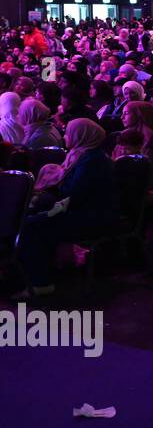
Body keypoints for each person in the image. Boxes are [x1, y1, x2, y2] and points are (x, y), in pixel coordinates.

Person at [14, 119, 115, 300]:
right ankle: (35, 274)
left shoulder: (92, 160)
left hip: (91, 216)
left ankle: (40, 283)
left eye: (69, 133)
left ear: (80, 136)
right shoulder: (81, 155)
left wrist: (51, 185)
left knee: (31, 226)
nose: (65, 136)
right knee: (29, 219)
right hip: (79, 210)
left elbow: (73, 192)